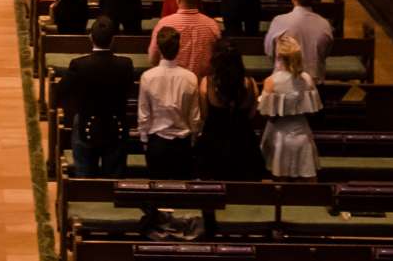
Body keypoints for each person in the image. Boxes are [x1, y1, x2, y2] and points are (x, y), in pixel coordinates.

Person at [60, 16, 137, 177]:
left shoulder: (79, 65)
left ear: (90, 37)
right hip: (117, 126)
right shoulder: (125, 64)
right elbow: (129, 90)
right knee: (114, 177)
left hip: (85, 125)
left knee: (85, 175)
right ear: (113, 40)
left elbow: (62, 91)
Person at [137, 24, 201, 179]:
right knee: (182, 195)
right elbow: (195, 116)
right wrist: (194, 137)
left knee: (158, 192)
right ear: (179, 49)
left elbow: (144, 114)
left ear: (158, 49)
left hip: (157, 142)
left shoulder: (148, 77)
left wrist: (144, 139)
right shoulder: (190, 77)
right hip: (182, 143)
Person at [194, 48, 265, 180]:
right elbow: (251, 114)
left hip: (214, 142)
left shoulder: (207, 83)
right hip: (243, 142)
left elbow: (204, 114)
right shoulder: (250, 83)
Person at [258, 37, 322, 179]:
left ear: (278, 56)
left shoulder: (271, 82)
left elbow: (267, 114)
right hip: (302, 132)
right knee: (306, 179)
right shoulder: (307, 79)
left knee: (280, 180)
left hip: (279, 135)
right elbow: (313, 111)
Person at [149, 0, 223, 80]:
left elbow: (153, 58)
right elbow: (219, 58)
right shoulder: (212, 25)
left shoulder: (164, 23)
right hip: (202, 85)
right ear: (198, 0)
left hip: (172, 81)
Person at [265, 0, 336, 76]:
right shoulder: (324, 24)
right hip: (314, 80)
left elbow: (269, 51)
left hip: (285, 80)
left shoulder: (279, 21)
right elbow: (325, 53)